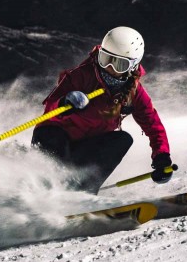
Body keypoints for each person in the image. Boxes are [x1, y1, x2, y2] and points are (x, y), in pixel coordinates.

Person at [31, 26, 173, 194]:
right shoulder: (81, 75)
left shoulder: (134, 92)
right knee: (55, 137)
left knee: (123, 139)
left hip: (84, 147)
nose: (109, 67)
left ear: (132, 66)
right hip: (54, 139)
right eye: (105, 59)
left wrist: (162, 157)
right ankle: (43, 189)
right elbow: (51, 104)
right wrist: (65, 102)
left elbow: (152, 124)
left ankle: (82, 194)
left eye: (119, 64)